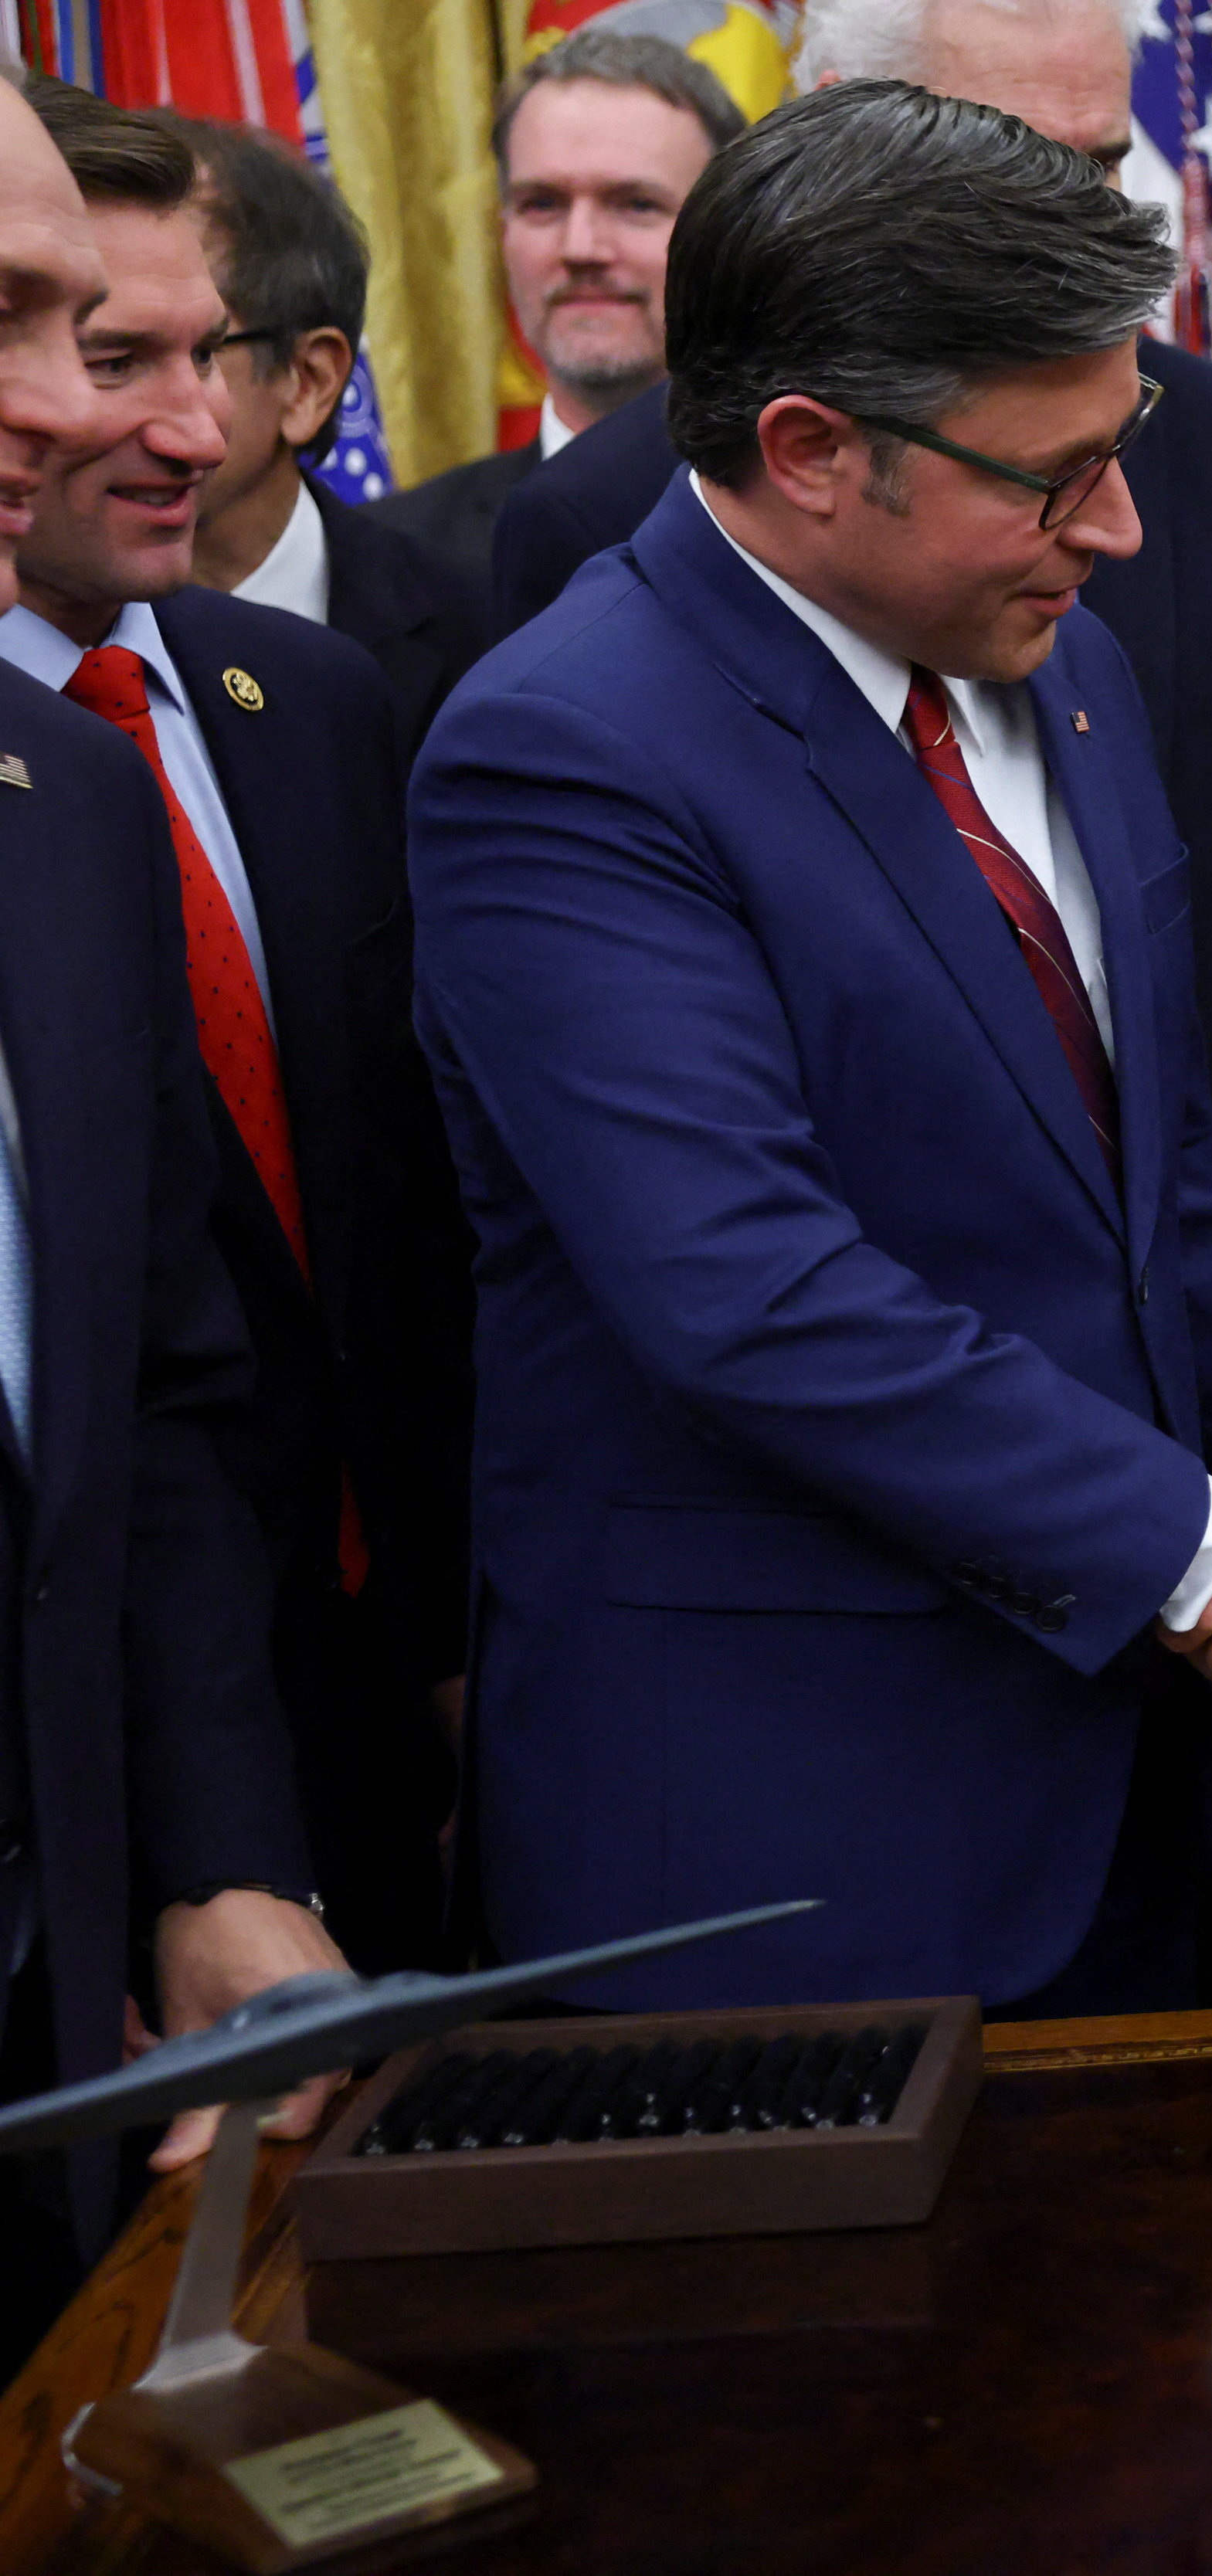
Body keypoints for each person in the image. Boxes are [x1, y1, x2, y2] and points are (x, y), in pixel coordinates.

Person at [409, 80, 1212, 2018]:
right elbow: (749, 1292)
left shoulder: (1054, 659)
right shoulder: (563, 754)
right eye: (1051, 473)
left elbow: (1159, 1171)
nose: (1123, 524)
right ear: (814, 451)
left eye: (1122, 440)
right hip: (792, 1840)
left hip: (1148, 1795)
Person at [497, 0, 1212, 1440]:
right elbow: (746, 1277)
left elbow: (1191, 1104)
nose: (1115, 528)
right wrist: (1211, 1555)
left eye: (1103, 165)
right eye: (1008, 172)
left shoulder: (1119, 604)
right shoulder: (571, 709)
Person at [2, 89, 467, 1975]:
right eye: (101, 352)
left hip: (335, 1711)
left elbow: (402, 1226)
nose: (188, 428)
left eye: (209, 354)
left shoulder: (316, 705)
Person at [0, 79, 339, 2364]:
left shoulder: (69, 816)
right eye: (17, 321)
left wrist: (217, 1859)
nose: (80, 405)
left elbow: (158, 1392)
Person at [364, 27, 739, 590]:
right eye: (543, 204)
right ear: (503, 233)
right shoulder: (392, 557)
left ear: (729, 233)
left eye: (636, 204)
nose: (580, 248)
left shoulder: (811, 523)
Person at [172, 116, 491, 766]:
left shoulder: (487, 640)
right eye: (100, 354)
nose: (90, 407)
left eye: (195, 354)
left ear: (308, 381)